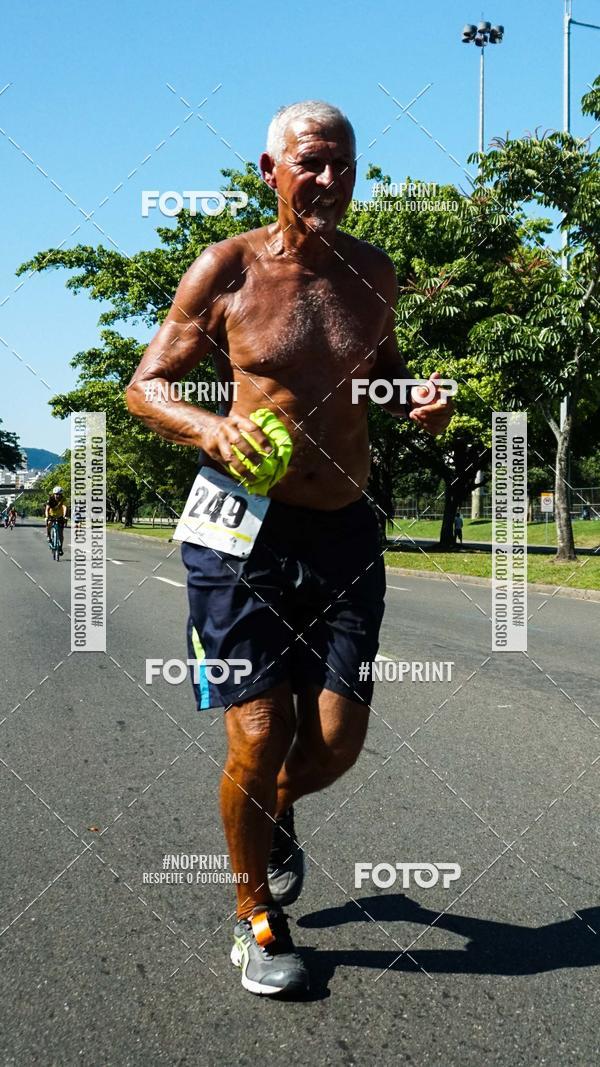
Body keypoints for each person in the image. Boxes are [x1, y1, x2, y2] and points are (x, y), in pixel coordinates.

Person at [127, 100, 453, 997]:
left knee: (338, 742)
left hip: (345, 525)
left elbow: (379, 381)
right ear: (269, 169)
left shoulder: (375, 273)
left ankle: (267, 817)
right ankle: (255, 915)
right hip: (240, 526)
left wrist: (418, 402)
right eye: (312, 163)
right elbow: (145, 386)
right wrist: (209, 428)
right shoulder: (226, 267)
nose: (331, 181)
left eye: (346, 165)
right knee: (262, 729)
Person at [45, 486, 67, 554]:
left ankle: (60, 548)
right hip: (51, 515)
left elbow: (64, 507)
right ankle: (49, 536)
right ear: (54, 494)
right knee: (49, 523)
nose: (57, 496)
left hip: (60, 516)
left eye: (59, 494)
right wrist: (47, 516)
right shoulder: (50, 499)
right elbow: (47, 509)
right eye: (56, 494)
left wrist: (65, 516)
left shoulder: (63, 499)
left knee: (60, 534)